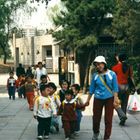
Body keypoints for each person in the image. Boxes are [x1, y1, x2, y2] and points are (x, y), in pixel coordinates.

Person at [85, 56, 119, 140]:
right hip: (98, 99)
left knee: (108, 119)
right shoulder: (95, 75)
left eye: (99, 64)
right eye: (96, 65)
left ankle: (106, 137)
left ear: (104, 64)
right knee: (96, 119)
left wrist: (115, 100)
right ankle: (96, 133)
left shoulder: (112, 74)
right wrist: (88, 100)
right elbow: (91, 89)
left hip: (109, 99)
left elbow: (115, 88)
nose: (98, 66)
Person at [112, 53, 135, 125]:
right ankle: (123, 120)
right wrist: (134, 87)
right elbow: (131, 77)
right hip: (127, 87)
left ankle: (122, 115)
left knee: (114, 103)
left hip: (118, 87)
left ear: (119, 59)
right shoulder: (129, 67)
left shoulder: (115, 67)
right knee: (124, 104)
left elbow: (112, 78)